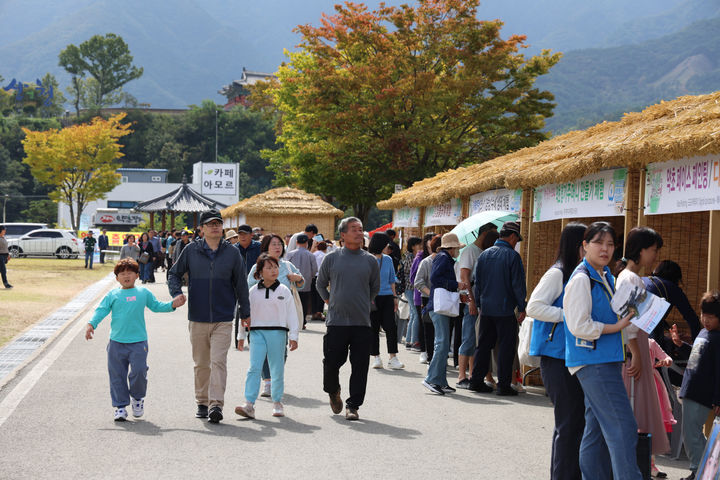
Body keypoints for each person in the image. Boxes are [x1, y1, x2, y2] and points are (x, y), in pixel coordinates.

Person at [563, 221, 641, 480]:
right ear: (585, 246)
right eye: (598, 243)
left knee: (596, 431)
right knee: (624, 427)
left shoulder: (605, 276)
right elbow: (578, 325)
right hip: (594, 361)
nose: (605, 249)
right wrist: (615, 326)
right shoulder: (582, 278)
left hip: (603, 359)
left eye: (610, 244)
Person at [168, 209, 251, 424]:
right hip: (197, 316)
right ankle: (202, 402)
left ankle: (216, 404)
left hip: (224, 317)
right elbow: (174, 274)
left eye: (218, 223)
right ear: (202, 228)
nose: (215, 227)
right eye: (210, 224)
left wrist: (246, 313)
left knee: (218, 361)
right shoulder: (191, 250)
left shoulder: (232, 253)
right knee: (202, 363)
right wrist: (176, 293)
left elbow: (241, 284)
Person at [85, 258, 184, 421]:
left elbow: (157, 306)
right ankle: (120, 407)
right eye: (122, 274)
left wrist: (172, 305)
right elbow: (101, 310)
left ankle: (137, 399)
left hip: (138, 342)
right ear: (116, 278)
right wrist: (91, 324)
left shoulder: (142, 293)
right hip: (116, 342)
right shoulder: (113, 294)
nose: (126, 276)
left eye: (129, 273)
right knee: (117, 375)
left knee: (139, 372)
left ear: (137, 275)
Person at [526, 222, 587, 480]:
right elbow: (534, 307)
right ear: (577, 244)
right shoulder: (558, 273)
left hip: (573, 355)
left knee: (573, 422)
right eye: (588, 242)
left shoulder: (580, 273)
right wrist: (568, 315)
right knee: (569, 422)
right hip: (556, 357)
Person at [615, 227, 670, 474]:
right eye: (654, 250)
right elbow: (629, 323)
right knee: (635, 409)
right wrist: (635, 353)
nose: (655, 256)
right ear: (641, 250)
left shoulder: (628, 277)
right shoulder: (631, 278)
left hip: (635, 348)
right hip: (634, 351)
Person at [317, 217, 380, 421]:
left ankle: (353, 406)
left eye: (361, 229)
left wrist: (362, 302)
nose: (359, 233)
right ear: (342, 235)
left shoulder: (370, 260)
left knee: (360, 366)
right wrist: (330, 300)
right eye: (354, 229)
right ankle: (333, 390)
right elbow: (320, 284)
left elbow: (374, 288)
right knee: (332, 363)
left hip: (362, 322)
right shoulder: (332, 258)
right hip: (336, 321)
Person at [235, 254, 299, 419]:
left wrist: (294, 335)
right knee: (254, 368)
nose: (273, 270)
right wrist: (241, 336)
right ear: (260, 272)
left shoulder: (284, 290)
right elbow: (245, 314)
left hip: (278, 333)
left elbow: (292, 314)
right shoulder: (253, 291)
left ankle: (277, 402)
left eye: (275, 267)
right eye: (269, 268)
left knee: (277, 369)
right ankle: (249, 403)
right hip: (256, 333)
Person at [470, 221, 527, 396]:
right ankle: (503, 385)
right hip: (504, 309)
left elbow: (477, 283)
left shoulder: (484, 255)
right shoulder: (512, 256)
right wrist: (522, 307)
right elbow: (518, 285)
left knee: (483, 346)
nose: (516, 243)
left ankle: (476, 381)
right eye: (517, 240)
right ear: (512, 237)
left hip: (486, 308)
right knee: (506, 347)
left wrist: (480, 304)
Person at [244, 233, 304, 396]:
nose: (278, 247)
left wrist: (297, 278)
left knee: (280, 351)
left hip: (280, 319)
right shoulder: (256, 267)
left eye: (279, 244)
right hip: (260, 318)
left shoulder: (288, 265)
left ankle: (275, 378)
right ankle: (268, 382)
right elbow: (249, 287)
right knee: (261, 353)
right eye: (273, 244)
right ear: (266, 247)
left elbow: (301, 283)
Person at [679, 290, 720, 480]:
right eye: (704, 315)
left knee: (691, 433)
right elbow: (697, 357)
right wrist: (681, 345)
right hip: (691, 388)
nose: (705, 320)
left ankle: (700, 471)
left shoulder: (718, 338)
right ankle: (704, 470)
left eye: (711, 317)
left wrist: (717, 398)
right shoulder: (704, 333)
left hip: (701, 393)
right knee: (692, 433)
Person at [422, 233, 466, 395]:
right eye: (457, 248)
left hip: (438, 305)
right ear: (452, 247)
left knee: (443, 343)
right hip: (438, 306)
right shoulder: (443, 258)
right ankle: (431, 379)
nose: (458, 251)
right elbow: (435, 278)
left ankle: (440, 380)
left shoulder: (442, 257)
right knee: (442, 343)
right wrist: (457, 284)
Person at [455, 222, 497, 389]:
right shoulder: (470, 251)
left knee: (476, 338)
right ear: (484, 234)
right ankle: (461, 376)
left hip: (479, 299)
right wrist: (471, 301)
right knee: (468, 337)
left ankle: (472, 373)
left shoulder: (482, 251)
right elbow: (464, 276)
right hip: (471, 299)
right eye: (492, 234)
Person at [643, 260, 702, 356]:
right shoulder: (672, 288)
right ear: (676, 277)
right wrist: (696, 348)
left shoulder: (644, 280)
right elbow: (692, 319)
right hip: (648, 336)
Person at [367, 232, 404, 370]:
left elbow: (391, 280)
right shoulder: (367, 259)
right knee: (373, 328)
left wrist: (395, 298)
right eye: (386, 243)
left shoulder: (388, 259)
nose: (388, 246)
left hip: (387, 296)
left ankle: (393, 357)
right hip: (372, 297)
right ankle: (376, 357)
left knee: (391, 327)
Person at [414, 235, 442, 364]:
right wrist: (431, 294)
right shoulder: (426, 262)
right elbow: (418, 282)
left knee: (442, 331)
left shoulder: (452, 262)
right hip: (428, 300)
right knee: (429, 329)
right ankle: (430, 357)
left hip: (445, 301)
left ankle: (440, 358)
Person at [286, 234, 318, 327]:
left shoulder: (290, 254)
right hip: (306, 283)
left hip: (292, 283)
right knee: (304, 302)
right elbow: (315, 269)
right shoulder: (310, 255)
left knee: (293, 302)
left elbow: (286, 267)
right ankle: (302, 322)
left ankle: (292, 321)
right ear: (307, 243)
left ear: (296, 242)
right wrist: (310, 276)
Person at [398, 236, 422, 349]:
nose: (420, 246)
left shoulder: (412, 256)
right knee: (416, 314)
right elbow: (409, 273)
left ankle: (409, 340)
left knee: (413, 314)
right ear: (413, 246)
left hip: (411, 289)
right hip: (410, 288)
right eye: (418, 244)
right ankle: (414, 340)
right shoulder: (410, 257)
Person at [311, 240, 328, 321]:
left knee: (313, 295)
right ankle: (319, 312)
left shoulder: (313, 255)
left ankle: (313, 313)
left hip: (312, 277)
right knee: (321, 296)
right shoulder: (325, 256)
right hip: (321, 277)